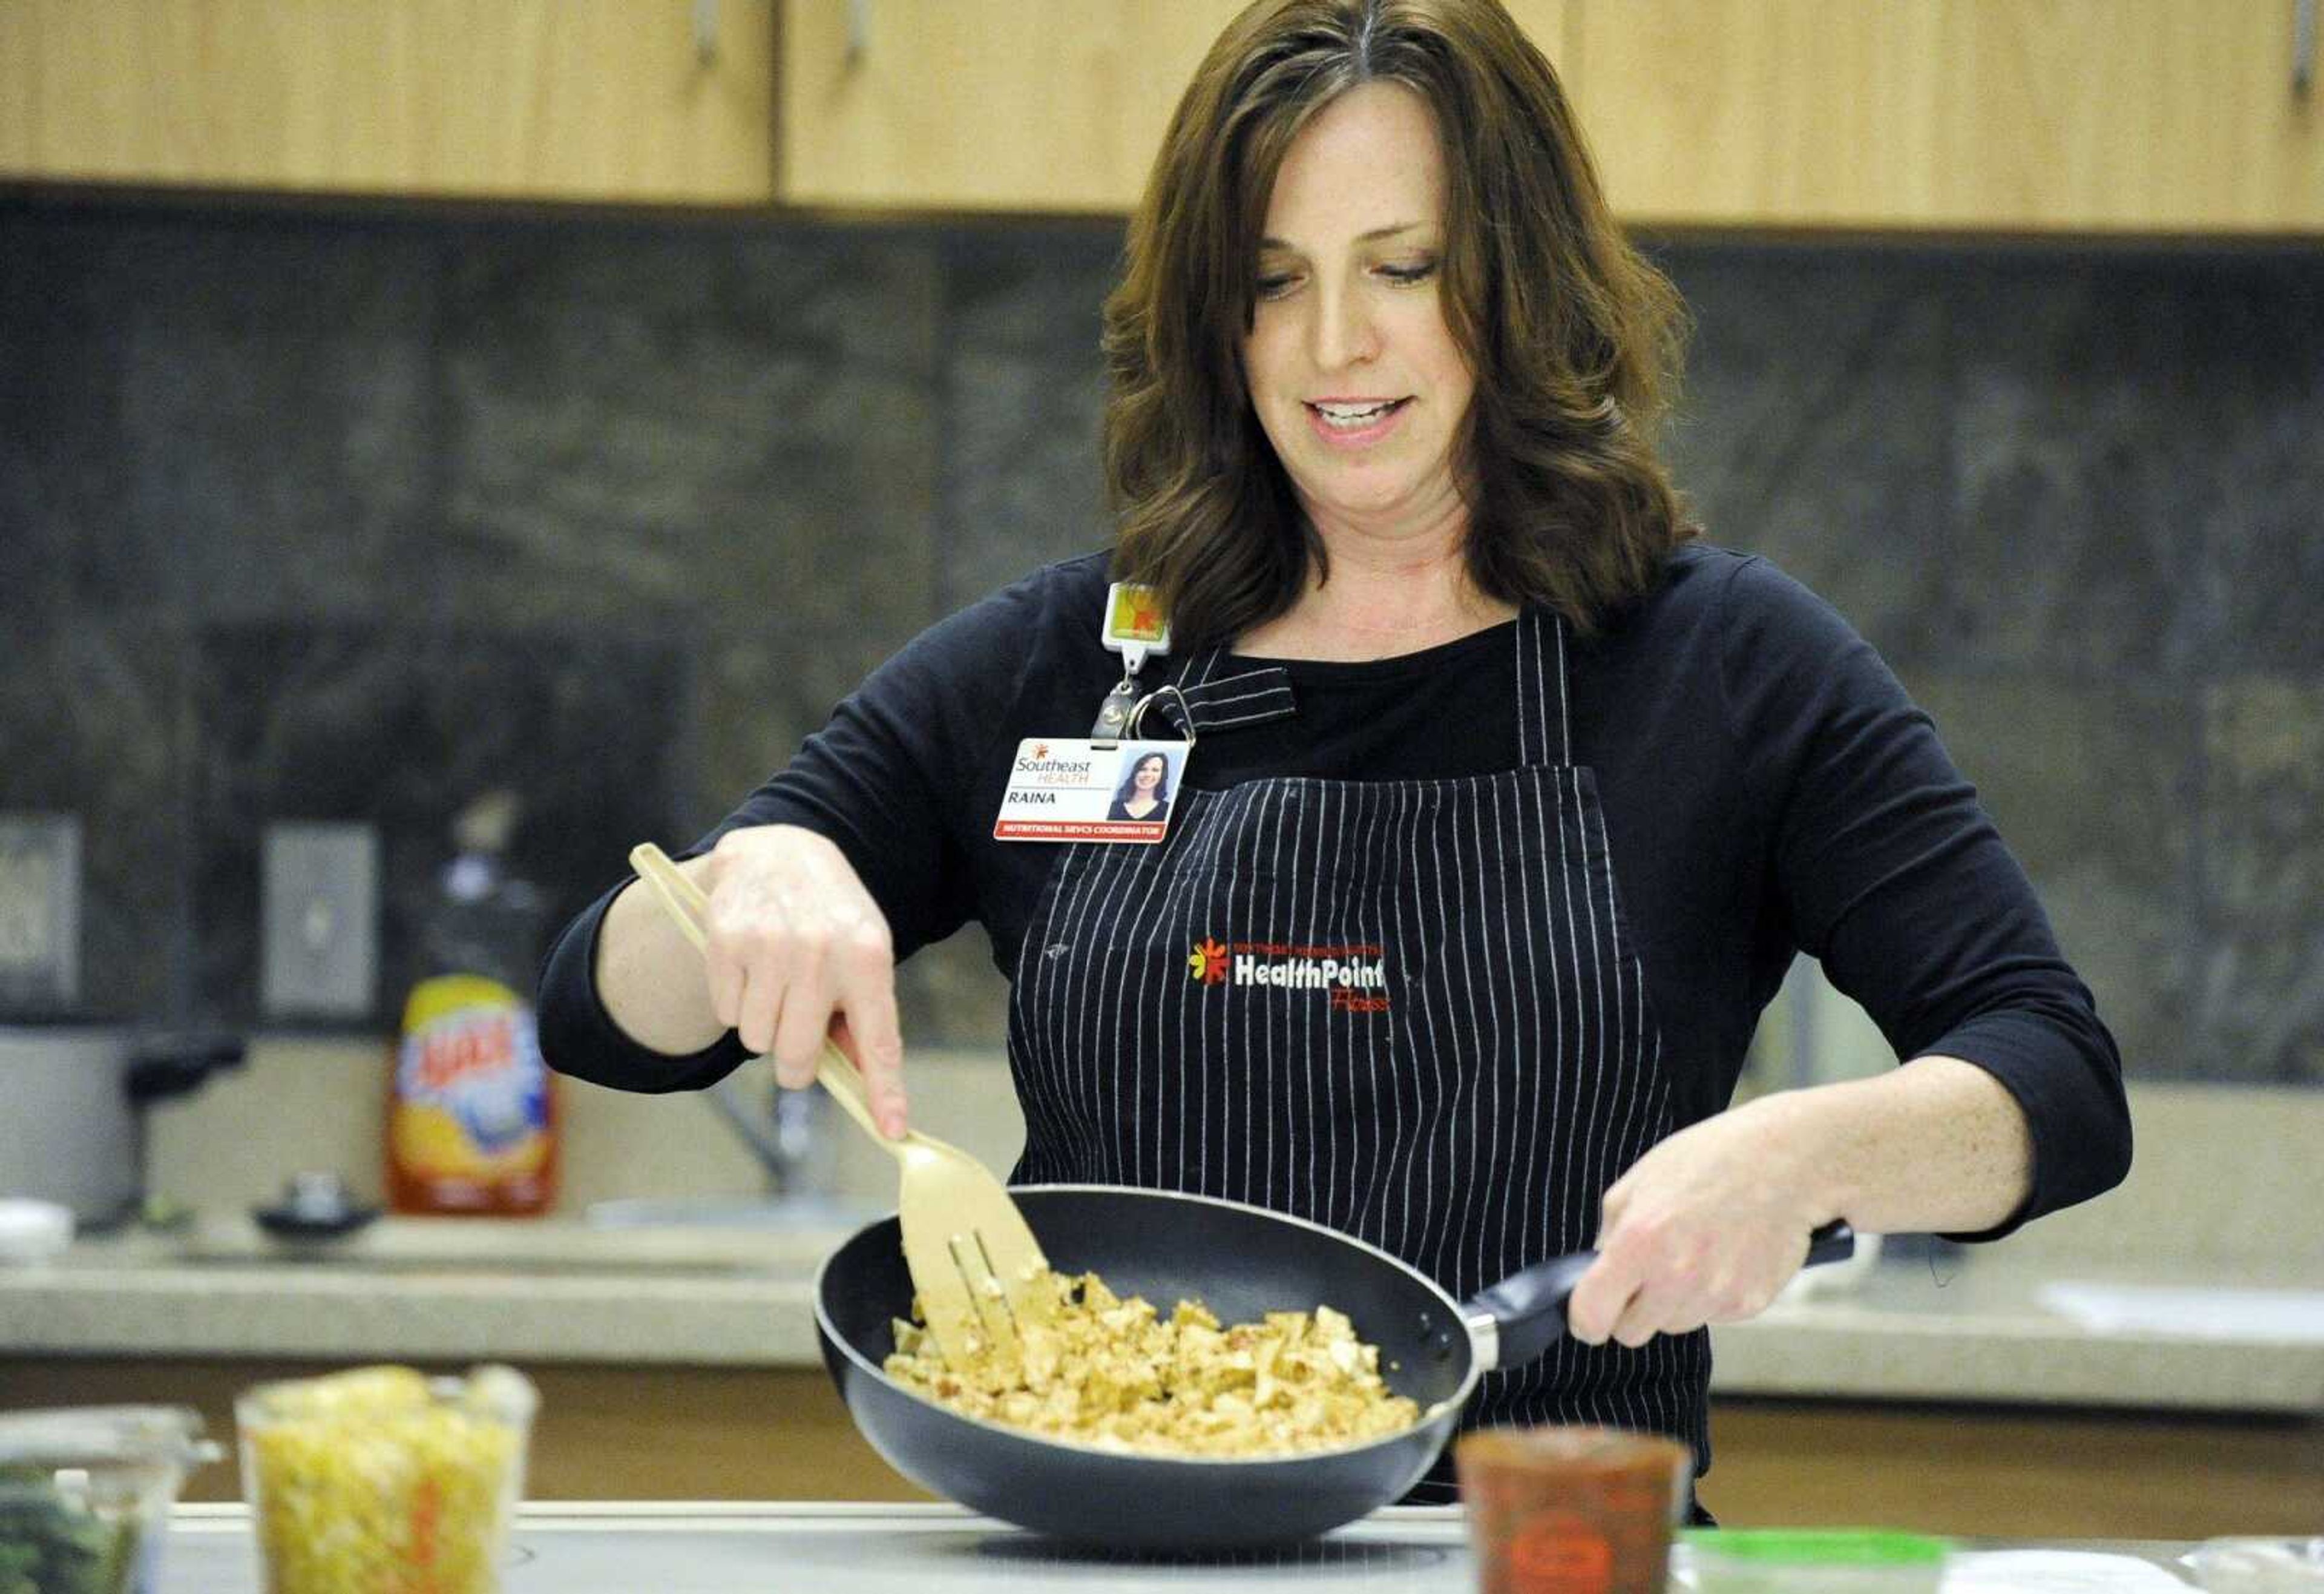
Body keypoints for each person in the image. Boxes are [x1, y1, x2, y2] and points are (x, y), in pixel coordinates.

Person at [539, 0, 2130, 1515]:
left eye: (1404, 266)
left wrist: (1813, 1152)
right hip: (1110, 1561)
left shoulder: (1716, 665)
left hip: (1546, 1556)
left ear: (1516, 278)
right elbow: (605, 1017)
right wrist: (765, 876)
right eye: (1273, 278)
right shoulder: (1084, 661)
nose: (1334, 345)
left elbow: (2052, 1078)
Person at [1106, 751, 1173, 822]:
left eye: (1155, 770)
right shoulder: (1113, 808)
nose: (1148, 775)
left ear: (1162, 776)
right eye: (1143, 769)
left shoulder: (1168, 810)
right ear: (1135, 773)